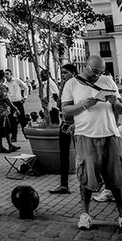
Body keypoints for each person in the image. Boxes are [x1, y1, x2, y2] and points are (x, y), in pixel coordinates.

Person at [62, 55, 122, 233]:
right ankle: (85, 215)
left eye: (100, 72)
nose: (97, 75)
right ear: (86, 66)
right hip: (85, 136)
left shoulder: (108, 81)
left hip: (111, 134)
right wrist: (84, 105)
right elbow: (65, 110)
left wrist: (114, 101)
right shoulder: (71, 84)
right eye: (95, 71)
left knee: (116, 177)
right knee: (86, 176)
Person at [48, 63, 78, 195]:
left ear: (73, 73)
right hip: (65, 123)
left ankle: (95, 183)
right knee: (64, 155)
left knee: (84, 154)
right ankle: (64, 185)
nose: (63, 75)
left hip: (78, 124)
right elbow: (60, 105)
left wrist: (76, 122)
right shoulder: (64, 86)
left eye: (65, 73)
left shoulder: (78, 86)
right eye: (62, 73)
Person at [0, 70, 21, 153]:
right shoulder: (0, 86)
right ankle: (1, 147)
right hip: (2, 110)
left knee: (5, 128)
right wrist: (14, 108)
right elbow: (6, 99)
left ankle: (10, 145)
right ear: (1, 77)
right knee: (2, 129)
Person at [4, 69, 28, 141]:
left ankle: (26, 134)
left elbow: (25, 87)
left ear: (11, 74)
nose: (6, 75)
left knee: (22, 119)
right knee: (12, 120)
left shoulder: (16, 81)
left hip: (18, 102)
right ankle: (14, 137)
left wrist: (24, 97)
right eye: (5, 74)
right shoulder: (4, 84)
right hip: (10, 104)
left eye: (7, 74)